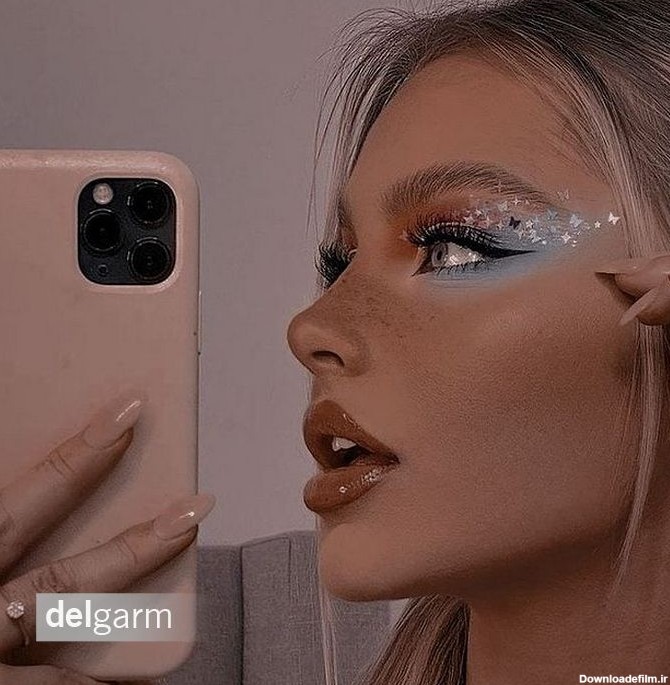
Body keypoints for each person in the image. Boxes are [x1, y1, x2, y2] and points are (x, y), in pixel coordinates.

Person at [285, 0, 670, 683]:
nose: (312, 328)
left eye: (456, 247)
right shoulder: (208, 619)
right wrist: (72, 628)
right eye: (340, 263)